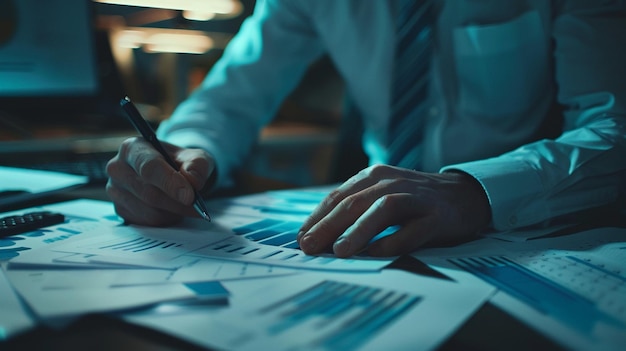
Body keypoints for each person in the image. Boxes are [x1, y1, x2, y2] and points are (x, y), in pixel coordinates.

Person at [106, 0, 626, 258]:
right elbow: (230, 100)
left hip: (518, 234)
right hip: (369, 236)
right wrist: (185, 154)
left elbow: (615, 125)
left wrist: (478, 190)